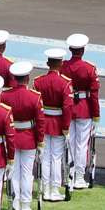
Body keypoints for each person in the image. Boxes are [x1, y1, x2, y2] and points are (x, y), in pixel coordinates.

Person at [1, 61, 44, 210]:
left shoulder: (5, 96)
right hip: (28, 138)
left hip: (11, 137)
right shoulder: (34, 96)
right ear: (27, 77)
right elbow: (40, 122)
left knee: (14, 172)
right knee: (26, 173)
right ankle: (25, 205)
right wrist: (40, 142)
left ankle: (15, 203)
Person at [61, 33, 99, 188]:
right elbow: (94, 93)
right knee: (82, 144)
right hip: (84, 107)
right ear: (83, 50)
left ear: (70, 49)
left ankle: (68, 176)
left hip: (68, 108)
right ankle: (79, 177)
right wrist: (96, 114)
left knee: (69, 142)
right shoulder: (89, 68)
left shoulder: (63, 67)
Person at [35, 48, 72, 201]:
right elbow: (67, 107)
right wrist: (66, 127)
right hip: (57, 123)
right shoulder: (65, 82)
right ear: (61, 63)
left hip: (44, 122)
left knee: (45, 157)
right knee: (56, 157)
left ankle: (44, 188)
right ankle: (54, 189)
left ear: (47, 63)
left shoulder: (38, 81)